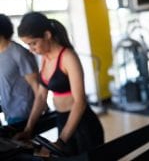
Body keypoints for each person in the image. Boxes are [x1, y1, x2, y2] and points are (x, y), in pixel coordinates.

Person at [15, 12, 104, 156]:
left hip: (82, 124)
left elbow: (80, 102)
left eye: (33, 43)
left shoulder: (68, 57)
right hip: (62, 121)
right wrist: (28, 129)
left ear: (47, 35)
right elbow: (41, 96)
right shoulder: (45, 58)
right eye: (28, 45)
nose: (31, 49)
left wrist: (61, 140)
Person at [0, 14, 39, 125]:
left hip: (24, 114)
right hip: (9, 112)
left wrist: (40, 111)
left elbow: (36, 86)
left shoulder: (19, 53)